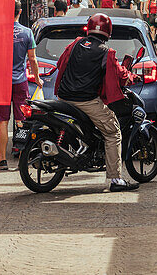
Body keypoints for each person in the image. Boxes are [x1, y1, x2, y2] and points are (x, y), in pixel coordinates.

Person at [55, 12, 138, 192]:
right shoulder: (106, 52)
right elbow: (120, 74)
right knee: (113, 132)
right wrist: (131, 76)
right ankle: (116, 179)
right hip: (86, 101)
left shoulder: (75, 43)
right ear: (108, 31)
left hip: (63, 97)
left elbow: (60, 62)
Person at [0, 2, 42, 171]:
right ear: (20, 12)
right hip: (20, 81)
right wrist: (37, 78)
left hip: (1, 82)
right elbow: (33, 59)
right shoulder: (27, 32)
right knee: (22, 120)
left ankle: (2, 159)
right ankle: (22, 156)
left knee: (2, 120)